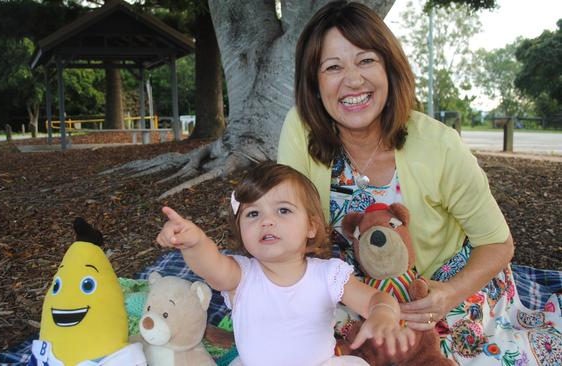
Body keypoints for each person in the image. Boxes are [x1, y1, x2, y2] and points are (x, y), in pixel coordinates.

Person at [278, 1, 561, 364]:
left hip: (438, 290)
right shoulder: (300, 129)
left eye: (366, 61)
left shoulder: (439, 146)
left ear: (389, 69)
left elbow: (498, 243)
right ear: (314, 85)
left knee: (421, 354)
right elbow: (288, 222)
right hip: (351, 288)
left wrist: (449, 294)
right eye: (333, 67)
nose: (352, 80)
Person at [157, 162, 415, 366]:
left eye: (283, 210)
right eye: (253, 214)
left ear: (311, 226)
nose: (266, 221)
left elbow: (376, 299)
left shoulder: (328, 274)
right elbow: (209, 264)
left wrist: (384, 314)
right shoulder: (240, 275)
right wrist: (193, 242)